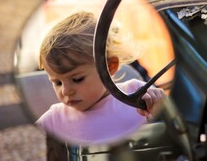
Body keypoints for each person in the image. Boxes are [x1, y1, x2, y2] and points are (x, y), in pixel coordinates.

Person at [36, 11, 165, 145]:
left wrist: (160, 102)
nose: (65, 91)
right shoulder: (54, 120)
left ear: (109, 67)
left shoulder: (138, 94)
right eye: (57, 82)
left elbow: (172, 125)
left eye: (77, 79)